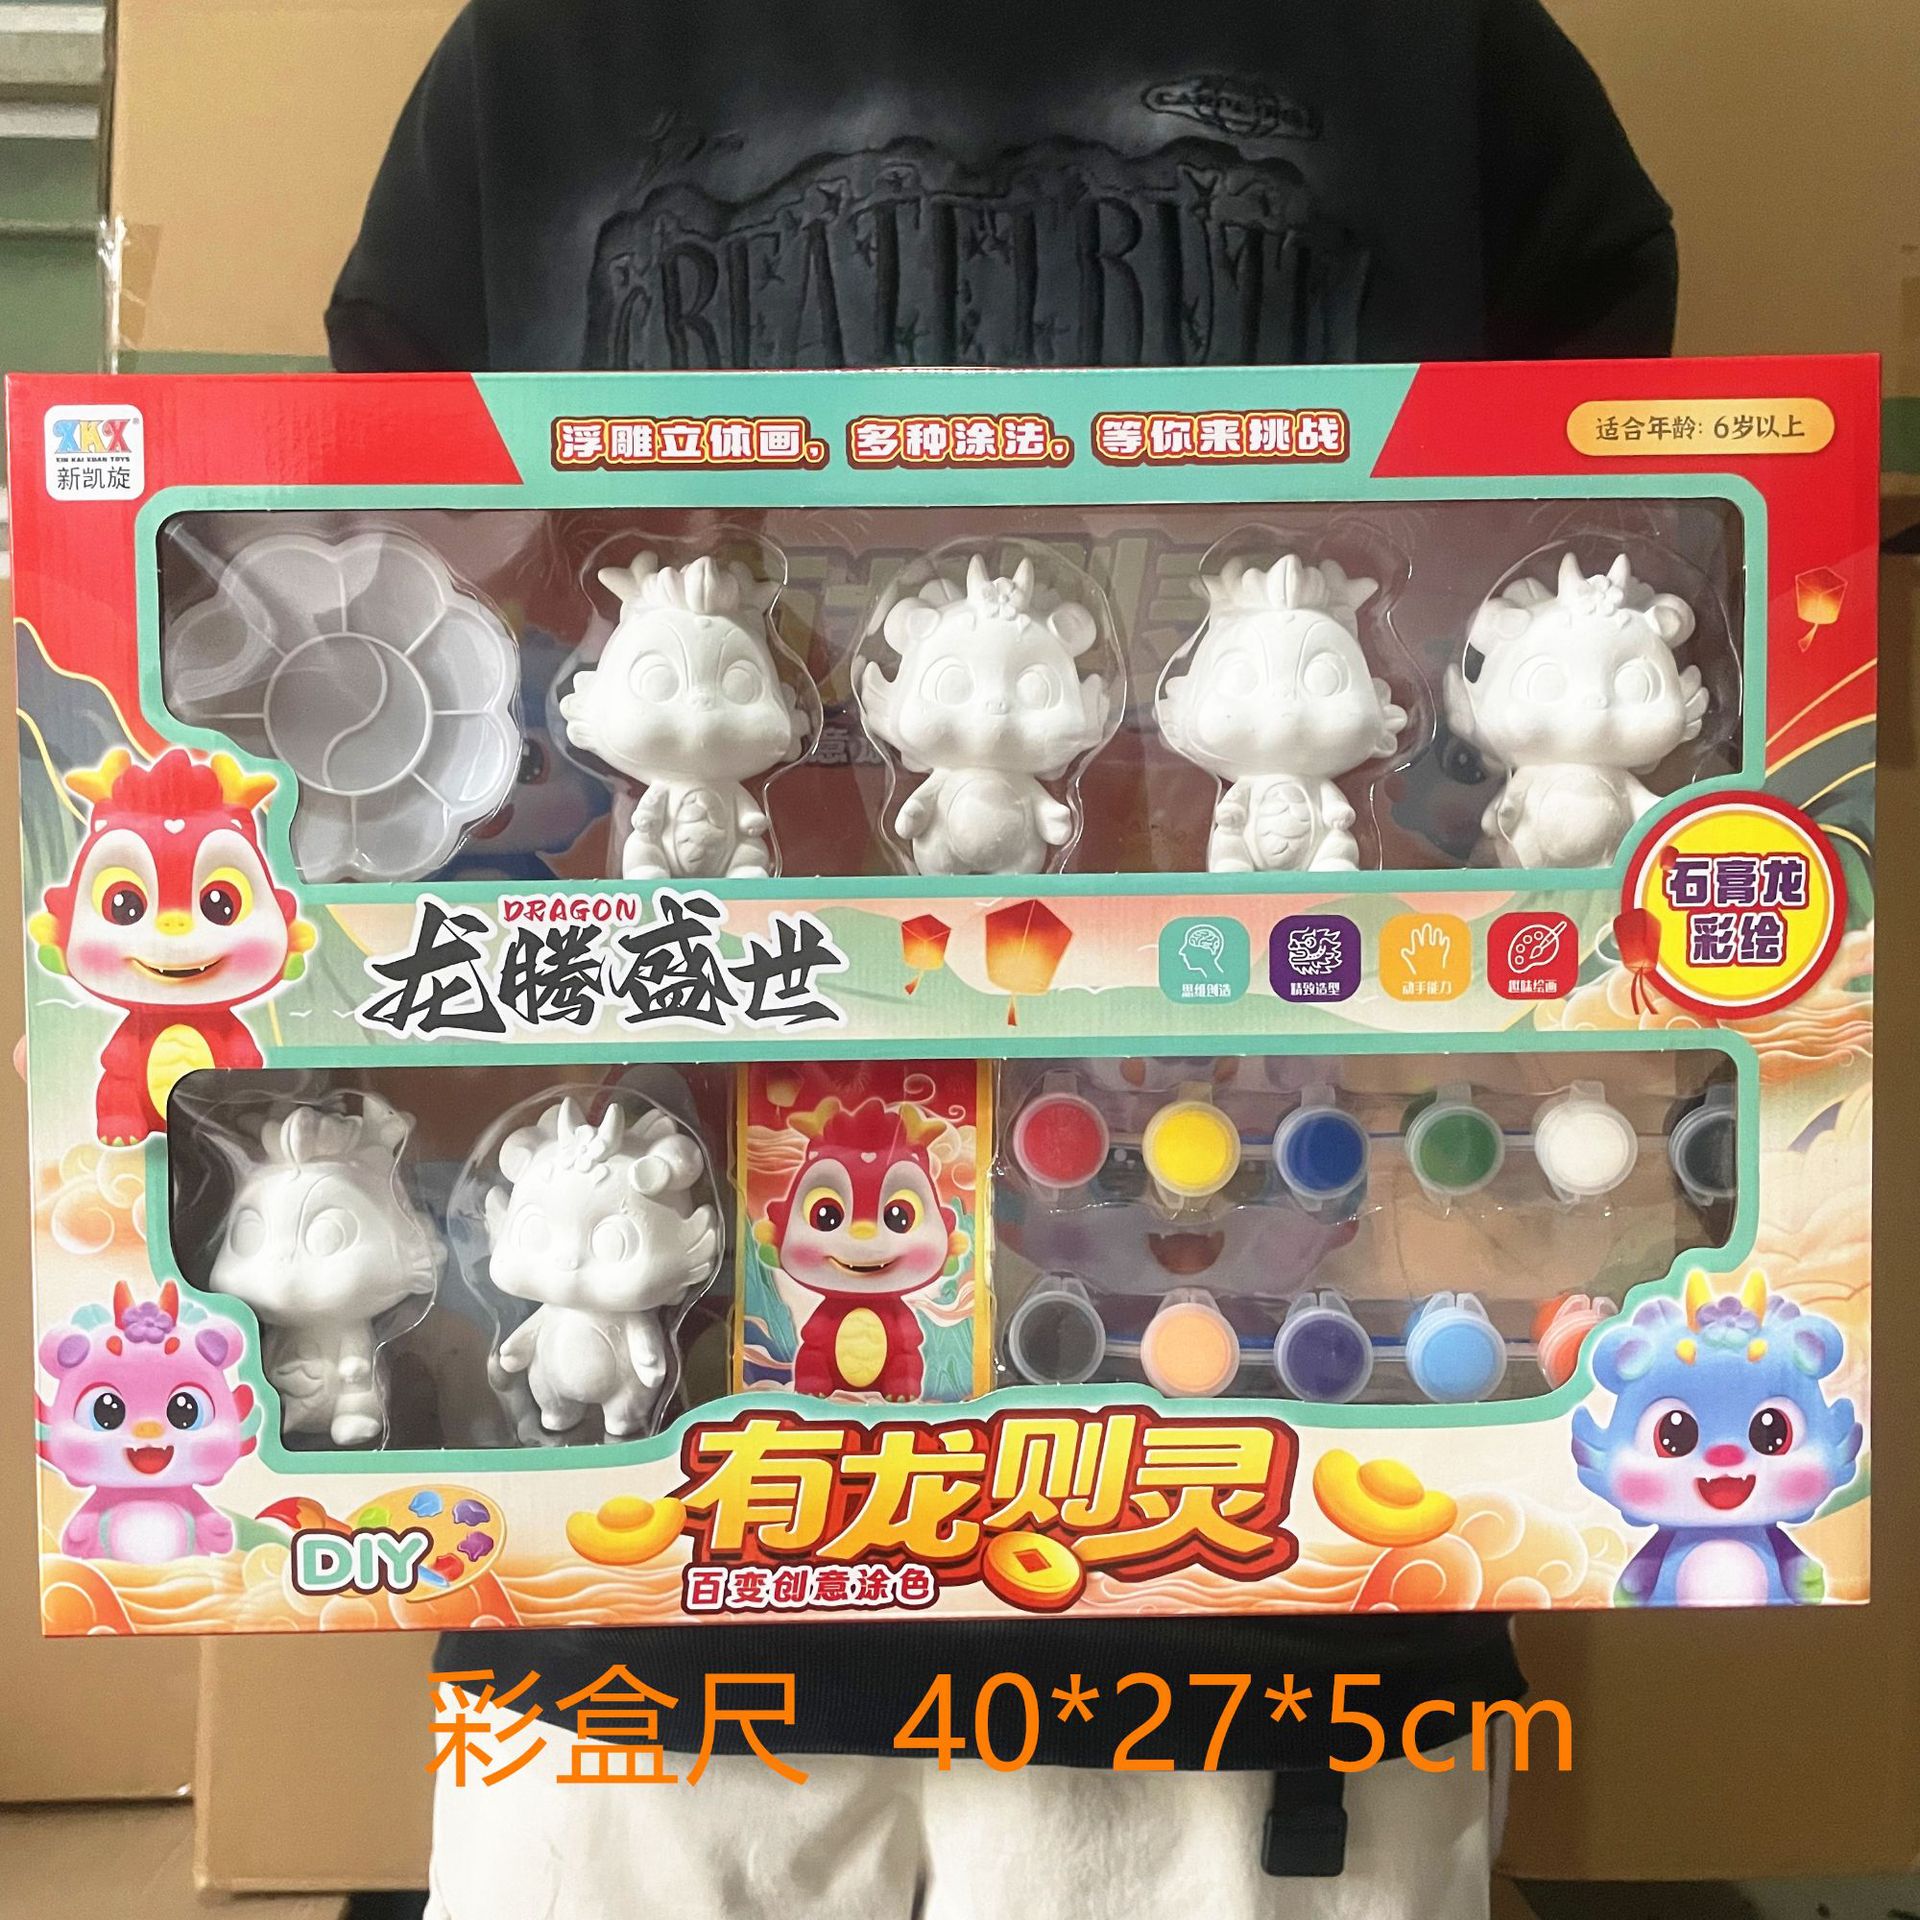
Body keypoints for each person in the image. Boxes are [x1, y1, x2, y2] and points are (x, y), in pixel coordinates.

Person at [330, 5, 1674, 1916]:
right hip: (651, 1533)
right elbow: (425, 616)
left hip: (1279, 1516)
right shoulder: (537, 58)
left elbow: (1589, 562)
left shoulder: (1449, 52)